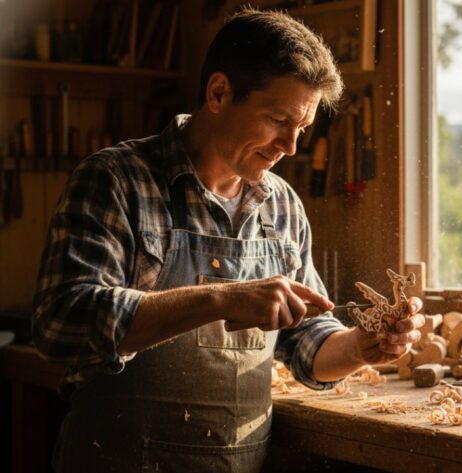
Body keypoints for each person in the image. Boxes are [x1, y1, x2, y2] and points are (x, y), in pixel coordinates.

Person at [32, 8, 423, 472]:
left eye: (302, 128)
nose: (291, 146)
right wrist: (221, 298)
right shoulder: (117, 180)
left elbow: (305, 341)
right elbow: (61, 323)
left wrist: (359, 347)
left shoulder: (282, 205)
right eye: (278, 119)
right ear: (219, 93)